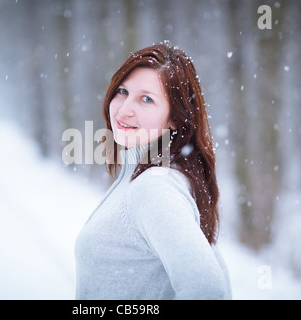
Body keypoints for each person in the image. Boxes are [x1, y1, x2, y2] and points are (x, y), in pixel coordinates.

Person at [74, 41, 232, 300]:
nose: (124, 110)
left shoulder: (155, 188)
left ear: (175, 119)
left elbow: (207, 290)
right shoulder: (147, 178)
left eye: (146, 99)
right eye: (122, 91)